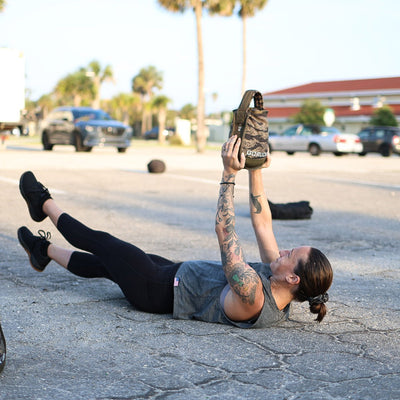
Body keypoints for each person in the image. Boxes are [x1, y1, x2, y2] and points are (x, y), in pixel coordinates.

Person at [17, 135, 333, 329]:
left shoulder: (254, 294)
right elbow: (263, 221)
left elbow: (225, 230)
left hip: (154, 289)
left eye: (292, 255)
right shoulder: (281, 288)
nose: (285, 251)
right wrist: (256, 168)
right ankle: (42, 252)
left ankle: (42, 203)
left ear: (293, 278)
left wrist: (228, 174)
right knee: (105, 263)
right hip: (172, 274)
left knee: (103, 243)